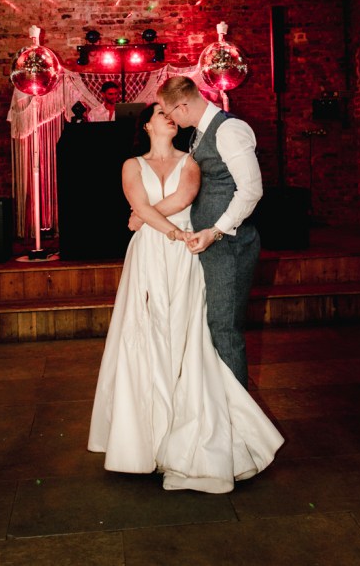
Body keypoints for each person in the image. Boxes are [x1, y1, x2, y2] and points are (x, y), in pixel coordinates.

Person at [88, 103, 283, 493]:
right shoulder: (132, 164)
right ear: (146, 125)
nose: (168, 115)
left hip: (184, 251)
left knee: (185, 333)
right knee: (147, 334)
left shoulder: (190, 161)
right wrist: (150, 220)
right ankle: (147, 438)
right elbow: (138, 202)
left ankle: (187, 432)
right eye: (159, 112)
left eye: (170, 109)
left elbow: (183, 198)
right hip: (149, 254)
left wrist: (148, 220)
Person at [156, 76, 262, 388]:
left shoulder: (229, 130)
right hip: (212, 244)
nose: (170, 118)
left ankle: (238, 417)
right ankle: (222, 407)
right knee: (214, 325)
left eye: (170, 111)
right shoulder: (201, 132)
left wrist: (215, 231)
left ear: (184, 105)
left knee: (224, 327)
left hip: (230, 244)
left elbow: (251, 190)